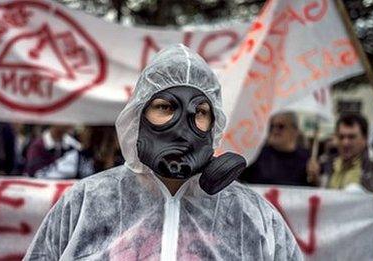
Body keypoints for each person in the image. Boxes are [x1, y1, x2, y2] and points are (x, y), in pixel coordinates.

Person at [24, 45, 302, 260]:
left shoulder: (254, 216)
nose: (182, 129)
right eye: (166, 108)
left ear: (214, 124)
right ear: (138, 116)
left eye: (200, 112)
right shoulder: (84, 203)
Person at [307, 113, 373, 192]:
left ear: (365, 138)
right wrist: (315, 180)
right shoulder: (324, 164)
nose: (345, 142)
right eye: (341, 137)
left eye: (351, 137)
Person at [239, 111, 315, 186]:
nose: (275, 130)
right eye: (271, 126)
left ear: (295, 131)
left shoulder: (306, 158)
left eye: (280, 126)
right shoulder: (257, 154)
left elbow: (310, 191)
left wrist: (314, 177)